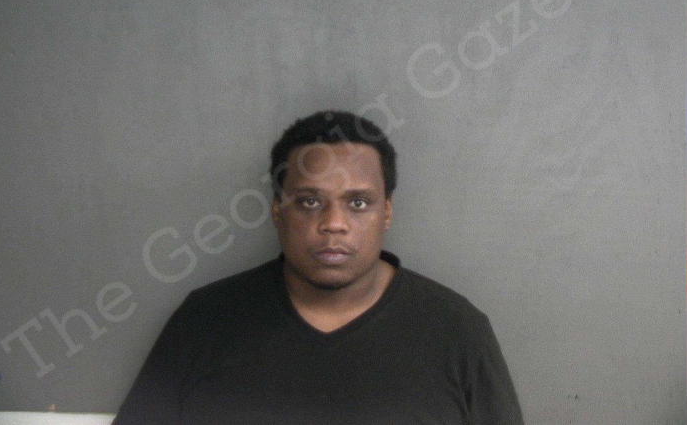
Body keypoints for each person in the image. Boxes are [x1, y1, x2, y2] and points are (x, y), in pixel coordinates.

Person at [113, 111, 524, 425]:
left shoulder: (457, 331)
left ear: (386, 212)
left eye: (358, 203)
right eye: (309, 202)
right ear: (278, 211)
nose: (333, 223)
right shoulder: (204, 321)